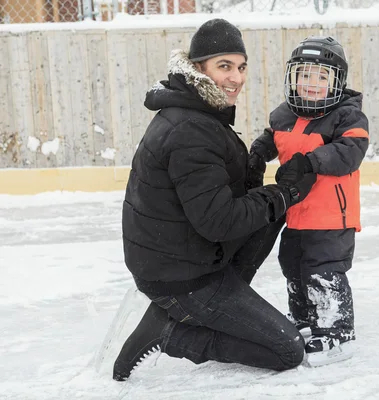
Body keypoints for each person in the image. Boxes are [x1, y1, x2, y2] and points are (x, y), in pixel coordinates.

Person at [112, 18, 317, 381]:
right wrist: (286, 192)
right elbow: (219, 220)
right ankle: (173, 332)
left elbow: (216, 194)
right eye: (224, 66)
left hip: (186, 256)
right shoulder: (191, 129)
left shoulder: (198, 113)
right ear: (197, 68)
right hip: (180, 279)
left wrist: (253, 164)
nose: (236, 78)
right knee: (288, 349)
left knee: (270, 214)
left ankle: (207, 308)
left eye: (240, 67)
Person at [248, 36, 369, 366]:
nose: (311, 83)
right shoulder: (284, 114)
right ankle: (303, 320)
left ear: (336, 81)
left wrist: (311, 161)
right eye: (304, 75)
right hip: (297, 213)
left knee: (324, 270)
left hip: (332, 216)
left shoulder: (347, 116)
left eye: (321, 76)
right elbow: (272, 136)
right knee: (293, 265)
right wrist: (259, 153)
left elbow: (350, 152)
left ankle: (336, 331)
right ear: (293, 77)